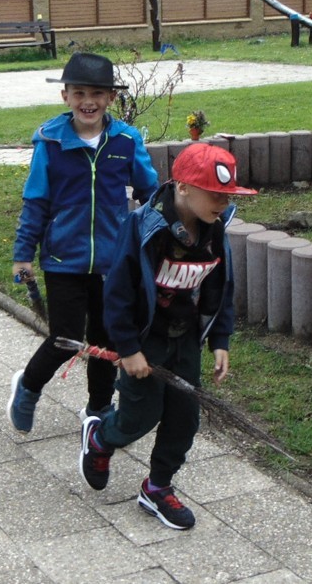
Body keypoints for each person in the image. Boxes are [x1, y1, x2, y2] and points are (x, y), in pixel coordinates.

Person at [79, 142, 254, 531]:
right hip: (145, 340)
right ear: (184, 187)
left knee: (184, 419)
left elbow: (220, 287)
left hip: (184, 339)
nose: (224, 203)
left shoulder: (213, 230)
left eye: (228, 195)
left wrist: (220, 339)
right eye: (215, 194)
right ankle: (101, 438)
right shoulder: (144, 227)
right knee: (139, 418)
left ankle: (157, 488)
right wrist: (128, 348)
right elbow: (117, 294)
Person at [6, 52, 159, 434]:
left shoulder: (126, 140)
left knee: (107, 341)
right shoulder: (51, 142)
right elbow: (35, 201)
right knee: (65, 339)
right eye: (79, 93)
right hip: (63, 259)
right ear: (66, 96)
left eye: (97, 93)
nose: (87, 101)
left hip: (112, 261)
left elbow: (150, 193)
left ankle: (98, 410)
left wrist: (158, 236)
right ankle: (28, 387)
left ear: (111, 98)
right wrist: (23, 254)